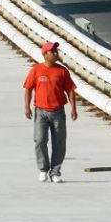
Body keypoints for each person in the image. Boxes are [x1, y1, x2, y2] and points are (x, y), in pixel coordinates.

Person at [23, 41, 77, 183]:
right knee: (40, 140)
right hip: (40, 111)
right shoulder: (36, 70)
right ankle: (43, 169)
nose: (56, 54)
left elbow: (70, 90)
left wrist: (73, 108)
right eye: (53, 52)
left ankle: (55, 171)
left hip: (58, 111)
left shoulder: (62, 71)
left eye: (56, 51)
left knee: (59, 142)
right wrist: (27, 107)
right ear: (45, 54)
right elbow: (28, 88)